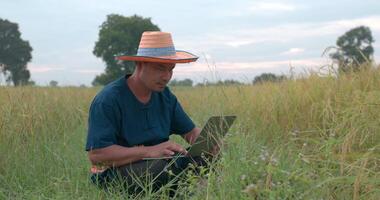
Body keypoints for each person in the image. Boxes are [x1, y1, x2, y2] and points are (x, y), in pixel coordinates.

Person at [85, 31, 213, 194]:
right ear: (140, 64)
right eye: (160, 68)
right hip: (114, 174)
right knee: (160, 168)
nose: (167, 76)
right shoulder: (109, 99)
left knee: (203, 158)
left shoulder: (165, 96)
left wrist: (210, 142)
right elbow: (97, 156)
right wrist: (149, 151)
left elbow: (191, 133)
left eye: (171, 69)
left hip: (161, 164)